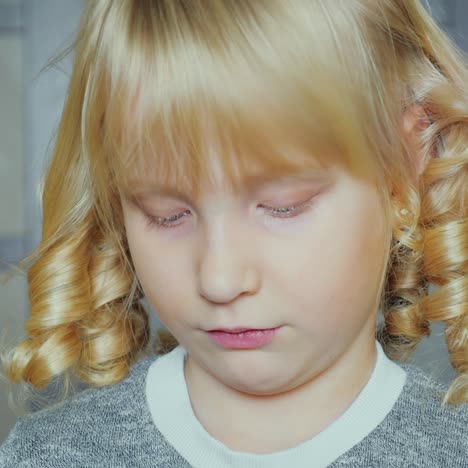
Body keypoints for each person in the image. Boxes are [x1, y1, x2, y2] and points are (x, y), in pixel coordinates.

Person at [0, 0, 467, 466]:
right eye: (167, 214)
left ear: (404, 166)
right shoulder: (51, 455)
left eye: (283, 206)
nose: (219, 280)